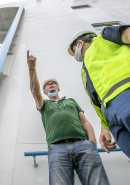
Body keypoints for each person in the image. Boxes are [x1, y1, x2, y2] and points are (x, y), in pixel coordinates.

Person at [27, 50, 110, 185]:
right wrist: (32, 67)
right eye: (47, 85)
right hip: (57, 148)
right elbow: (35, 93)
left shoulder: (71, 101)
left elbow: (85, 121)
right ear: (45, 92)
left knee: (97, 182)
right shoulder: (44, 104)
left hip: (83, 144)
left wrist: (92, 141)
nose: (50, 84)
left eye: (53, 83)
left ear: (58, 89)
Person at [68, 25, 130, 158]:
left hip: (124, 90)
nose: (76, 56)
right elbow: (96, 99)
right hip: (111, 116)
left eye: (75, 51)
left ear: (80, 43)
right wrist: (105, 127)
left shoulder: (104, 36)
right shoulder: (85, 71)